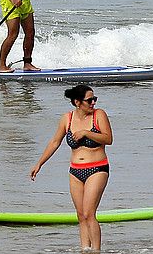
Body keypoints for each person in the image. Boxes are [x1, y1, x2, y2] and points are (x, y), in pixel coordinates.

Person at [30, 84, 112, 253]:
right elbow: (55, 142)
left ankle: (96, 250)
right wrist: (39, 163)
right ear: (77, 102)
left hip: (97, 169)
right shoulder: (66, 119)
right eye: (89, 100)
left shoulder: (99, 115)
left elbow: (108, 138)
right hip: (75, 171)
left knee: (89, 213)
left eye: (94, 99)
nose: (93, 103)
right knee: (80, 215)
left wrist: (86, 133)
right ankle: (84, 249)